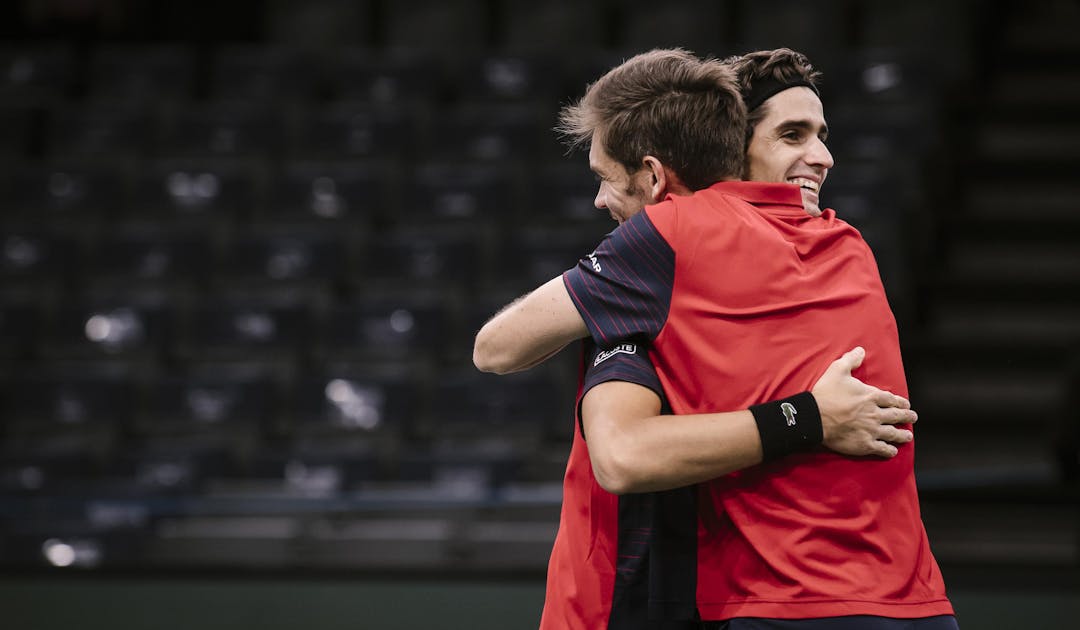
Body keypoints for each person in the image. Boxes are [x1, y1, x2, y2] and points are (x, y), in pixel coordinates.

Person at [473, 48, 955, 629]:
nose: (822, 157)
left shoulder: (665, 246)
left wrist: (805, 417)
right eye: (792, 134)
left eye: (603, 178)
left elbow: (501, 354)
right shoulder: (850, 246)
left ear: (653, 176)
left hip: (766, 607)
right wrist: (810, 416)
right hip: (915, 606)